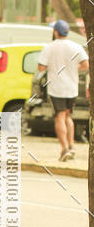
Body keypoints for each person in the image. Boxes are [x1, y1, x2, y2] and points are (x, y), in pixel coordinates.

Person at [37, 19, 89, 161]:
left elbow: (41, 67)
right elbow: (86, 65)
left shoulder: (49, 47)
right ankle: (72, 146)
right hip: (72, 88)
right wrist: (72, 68)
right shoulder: (76, 46)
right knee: (68, 116)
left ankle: (64, 148)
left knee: (59, 117)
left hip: (56, 88)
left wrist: (53, 68)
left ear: (55, 32)